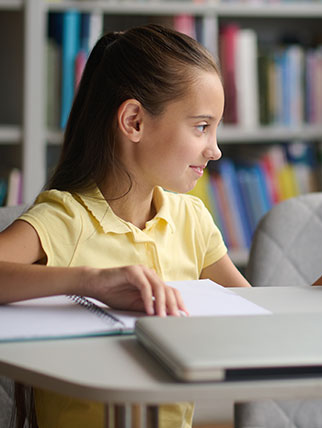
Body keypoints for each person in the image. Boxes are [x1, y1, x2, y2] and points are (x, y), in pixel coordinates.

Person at [0, 23, 250, 428]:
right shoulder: (66, 217)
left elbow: (265, 321)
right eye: (202, 126)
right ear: (134, 121)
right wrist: (87, 282)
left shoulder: (192, 220)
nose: (215, 149)